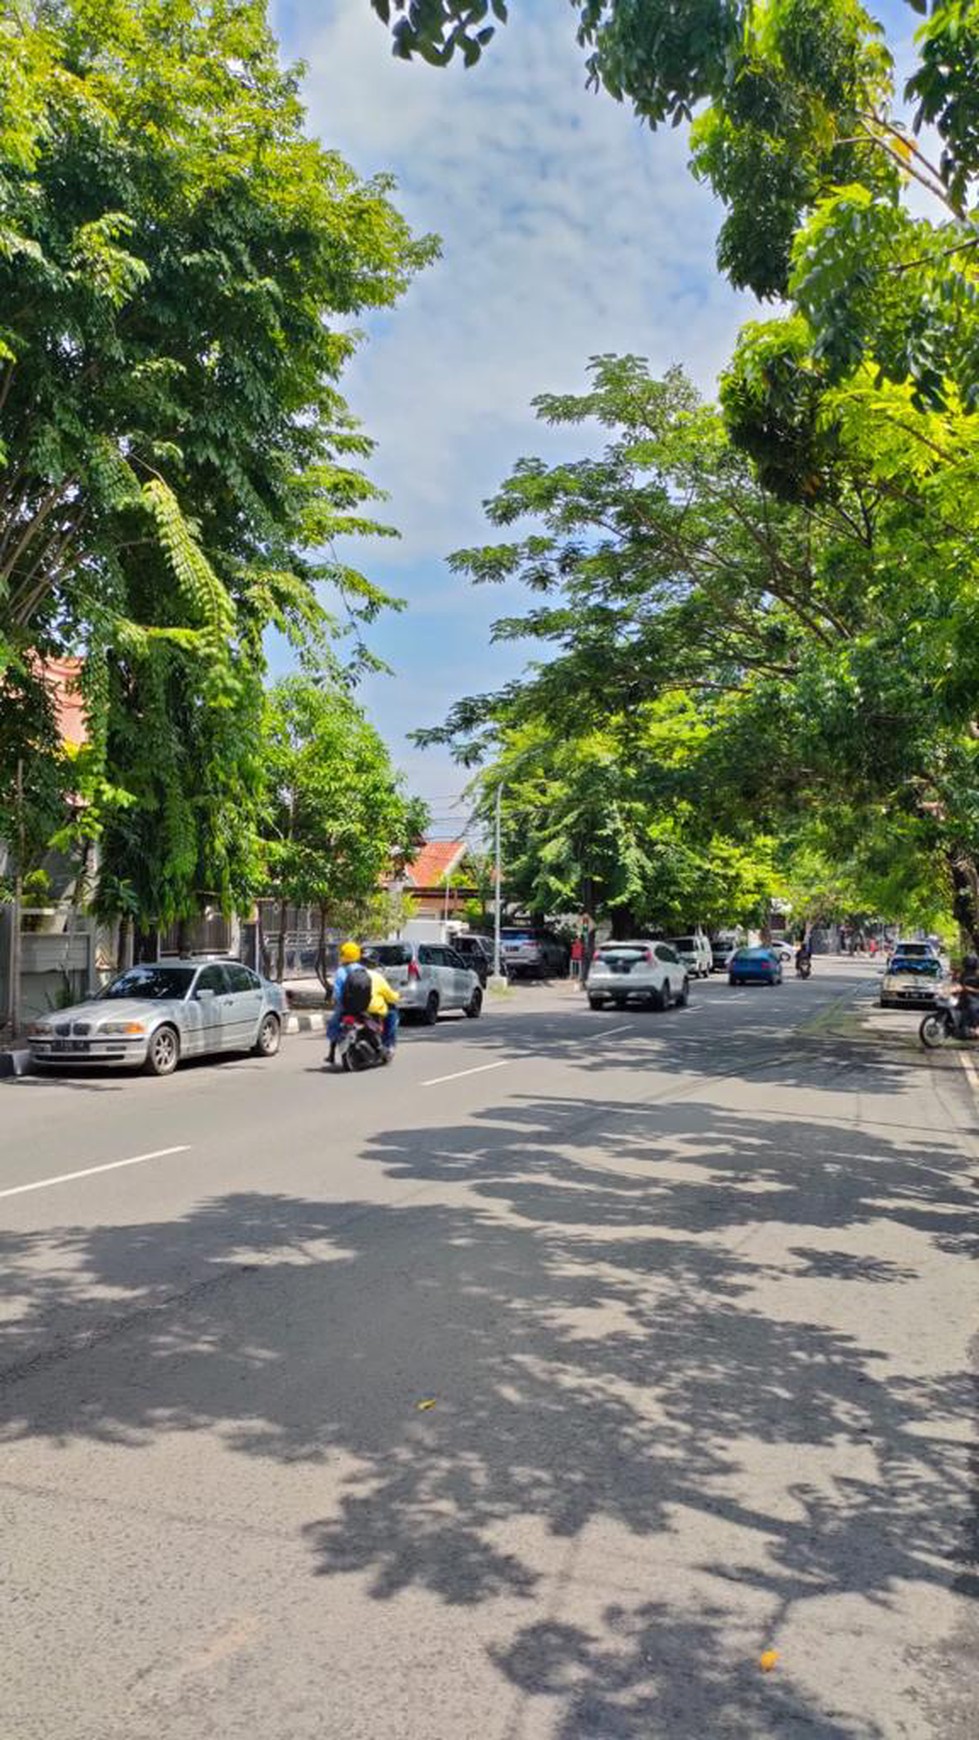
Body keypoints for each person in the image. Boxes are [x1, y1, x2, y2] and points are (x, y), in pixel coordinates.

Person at [326, 940, 371, 1066]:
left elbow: (337, 991)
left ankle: (331, 1054)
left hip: (345, 1005)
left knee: (333, 1025)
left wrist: (336, 1001)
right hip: (362, 1005)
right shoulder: (362, 969)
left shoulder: (341, 971)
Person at [361, 949, 400, 1058]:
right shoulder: (377, 977)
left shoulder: (351, 973)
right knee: (392, 1013)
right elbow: (390, 996)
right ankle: (388, 1045)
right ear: (374, 963)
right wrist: (397, 996)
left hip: (352, 1008)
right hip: (371, 1010)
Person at [957, 952, 979, 1034]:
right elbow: (959, 985)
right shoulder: (963, 974)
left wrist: (970, 989)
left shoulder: (977, 975)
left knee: (972, 1007)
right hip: (963, 998)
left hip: (975, 999)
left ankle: (976, 1026)